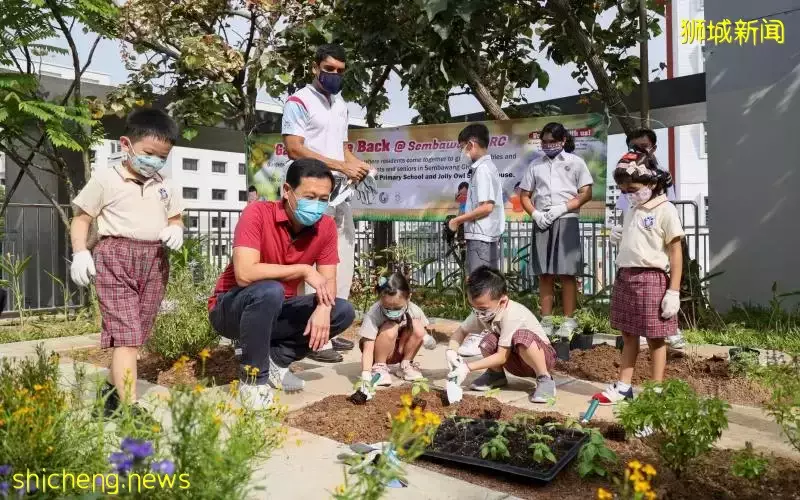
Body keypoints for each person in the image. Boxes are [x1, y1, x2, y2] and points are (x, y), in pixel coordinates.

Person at [208, 159, 356, 409]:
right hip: (231, 309)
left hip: (278, 308)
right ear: (287, 191)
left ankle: (277, 360)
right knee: (270, 289)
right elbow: (245, 273)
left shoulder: (326, 227)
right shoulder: (257, 212)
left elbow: (328, 279)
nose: (317, 205)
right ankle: (253, 380)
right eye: (310, 196)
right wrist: (302, 269)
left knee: (341, 311)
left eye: (323, 199)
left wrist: (323, 308)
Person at [69, 108, 184, 416]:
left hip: (154, 260)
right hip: (115, 256)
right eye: (149, 153)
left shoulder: (166, 184)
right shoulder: (106, 178)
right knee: (127, 336)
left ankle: (109, 393)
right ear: (126, 144)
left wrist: (176, 229)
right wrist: (80, 252)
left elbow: (176, 217)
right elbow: (81, 219)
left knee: (136, 335)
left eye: (163, 156)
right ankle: (129, 408)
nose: (155, 161)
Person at [282, 43, 370, 363]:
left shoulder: (341, 104)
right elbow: (294, 148)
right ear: (316, 66)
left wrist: (355, 165)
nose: (334, 75)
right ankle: (312, 336)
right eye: (329, 68)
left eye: (340, 70)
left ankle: (331, 327)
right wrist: (339, 164)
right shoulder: (298, 101)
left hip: (340, 193)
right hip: (312, 193)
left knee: (341, 261)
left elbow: (344, 149)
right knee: (314, 264)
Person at [593, 151, 683, 405]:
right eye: (623, 190)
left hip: (652, 278)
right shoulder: (633, 208)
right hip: (627, 276)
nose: (628, 194)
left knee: (655, 337)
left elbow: (676, 252)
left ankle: (655, 390)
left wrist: (673, 291)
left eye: (632, 188)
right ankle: (624, 386)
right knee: (628, 334)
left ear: (652, 183)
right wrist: (621, 236)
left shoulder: (666, 210)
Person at [519, 122, 593, 339]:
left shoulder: (576, 162)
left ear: (562, 141)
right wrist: (535, 214)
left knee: (567, 272)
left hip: (566, 218)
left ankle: (569, 320)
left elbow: (586, 193)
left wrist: (563, 208)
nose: (548, 145)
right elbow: (524, 195)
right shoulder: (535, 165)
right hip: (542, 219)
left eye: (552, 141)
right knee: (545, 272)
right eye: (544, 141)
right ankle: (547, 320)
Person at [614, 128, 684, 349]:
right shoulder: (627, 177)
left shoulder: (660, 175)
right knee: (632, 328)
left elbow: (671, 241)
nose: (638, 150)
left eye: (642, 146)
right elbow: (626, 208)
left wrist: (673, 291)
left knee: (656, 326)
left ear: (653, 147)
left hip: (654, 256)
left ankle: (669, 330)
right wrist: (621, 232)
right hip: (631, 264)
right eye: (633, 147)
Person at [445, 266, 557, 403]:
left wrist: (467, 368)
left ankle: (544, 378)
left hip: (542, 358)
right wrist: (451, 351)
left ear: (502, 301)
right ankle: (495, 374)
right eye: (473, 307)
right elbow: (461, 331)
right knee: (488, 340)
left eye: (482, 309)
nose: (478, 313)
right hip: (516, 362)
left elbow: (502, 357)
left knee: (522, 336)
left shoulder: (512, 314)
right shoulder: (482, 312)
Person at [447, 124, 505, 357]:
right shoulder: (485, 168)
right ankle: (486, 332)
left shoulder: (482, 170)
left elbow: (486, 207)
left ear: (471, 144)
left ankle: (482, 334)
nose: (463, 152)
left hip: (480, 234)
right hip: (483, 234)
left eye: (463, 147)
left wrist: (457, 221)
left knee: (479, 285)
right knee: (486, 284)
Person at [358, 273, 431, 386]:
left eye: (397, 308)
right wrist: (366, 373)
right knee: (390, 327)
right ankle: (379, 368)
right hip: (380, 353)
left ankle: (405, 365)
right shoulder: (374, 313)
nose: (392, 311)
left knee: (417, 325)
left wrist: (428, 339)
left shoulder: (413, 310)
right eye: (387, 307)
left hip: (401, 351)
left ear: (408, 298)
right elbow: (367, 347)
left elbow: (423, 331)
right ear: (380, 298)